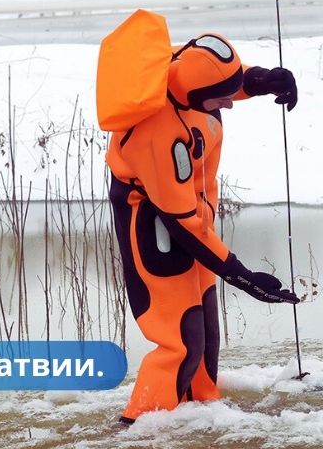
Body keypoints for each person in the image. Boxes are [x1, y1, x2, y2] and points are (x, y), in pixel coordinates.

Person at [105, 31, 300, 425]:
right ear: (195, 95)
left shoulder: (183, 69)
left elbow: (221, 78)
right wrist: (243, 277)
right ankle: (140, 429)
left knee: (207, 329)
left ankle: (201, 412)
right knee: (181, 340)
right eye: (221, 98)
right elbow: (181, 224)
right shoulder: (159, 133)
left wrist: (261, 80)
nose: (229, 102)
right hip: (156, 226)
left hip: (194, 220)